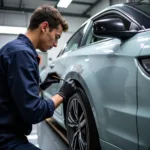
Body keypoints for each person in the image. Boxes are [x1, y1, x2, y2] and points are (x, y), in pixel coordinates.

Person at [0, 4, 76, 150]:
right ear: (45, 27)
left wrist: (40, 86)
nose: (55, 44)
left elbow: (13, 94)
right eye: (56, 37)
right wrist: (62, 95)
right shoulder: (21, 54)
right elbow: (33, 112)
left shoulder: (14, 49)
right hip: (6, 140)